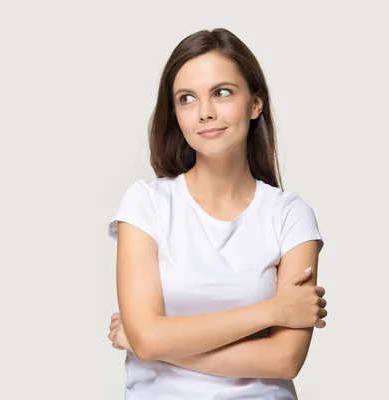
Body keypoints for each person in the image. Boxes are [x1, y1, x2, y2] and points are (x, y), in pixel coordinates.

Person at [107, 28, 327, 399]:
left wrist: (160, 343)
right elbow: (146, 340)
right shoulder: (146, 204)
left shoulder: (290, 216)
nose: (206, 112)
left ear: (255, 104)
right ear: (175, 113)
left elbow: (285, 360)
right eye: (187, 99)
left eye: (222, 93)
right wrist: (272, 311)